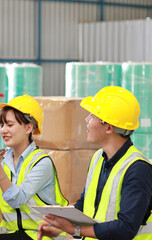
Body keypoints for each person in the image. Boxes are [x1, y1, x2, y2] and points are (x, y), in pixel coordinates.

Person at [37, 86, 152, 240]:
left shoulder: (137, 169)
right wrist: (59, 226)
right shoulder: (98, 157)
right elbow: (85, 204)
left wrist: (74, 229)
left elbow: (126, 228)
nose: (86, 120)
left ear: (109, 128)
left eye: (92, 116)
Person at [0, 94, 68, 240]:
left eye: (9, 125)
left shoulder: (41, 162)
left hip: (41, 234)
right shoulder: (2, 160)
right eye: (1, 125)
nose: (3, 130)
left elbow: (17, 199)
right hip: (13, 234)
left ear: (28, 128)